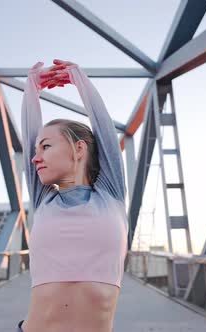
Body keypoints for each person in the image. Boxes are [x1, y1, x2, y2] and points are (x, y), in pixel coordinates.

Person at [17, 59, 129, 332]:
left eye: (46, 147)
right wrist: (31, 88)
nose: (35, 158)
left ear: (79, 149)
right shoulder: (44, 198)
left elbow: (104, 131)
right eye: (35, 149)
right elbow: (29, 132)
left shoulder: (110, 194)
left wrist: (79, 79)